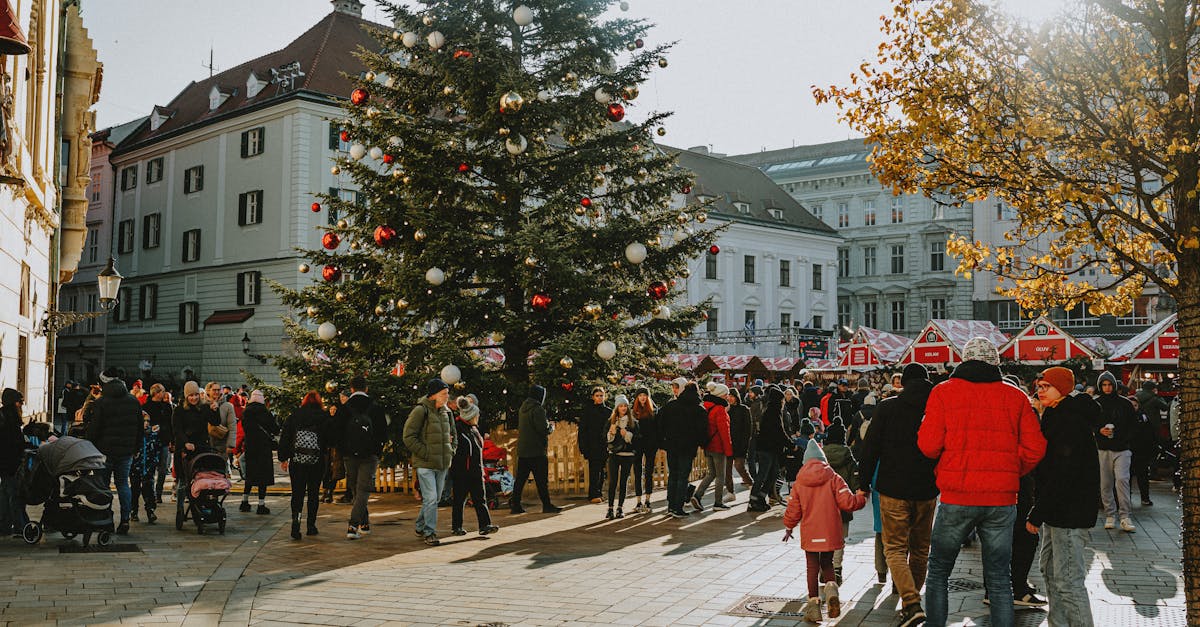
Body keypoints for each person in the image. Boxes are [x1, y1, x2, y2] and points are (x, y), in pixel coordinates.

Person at [918, 338, 1046, 627]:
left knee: (938, 571)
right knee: (1000, 577)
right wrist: (1011, 469)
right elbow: (1035, 447)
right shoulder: (1015, 397)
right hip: (1001, 499)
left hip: (957, 495)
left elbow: (927, 445)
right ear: (995, 363)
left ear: (964, 361)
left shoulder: (943, 393)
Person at [857, 362, 937, 626]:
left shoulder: (888, 407)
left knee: (894, 547)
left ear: (903, 382)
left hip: (893, 488)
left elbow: (871, 448)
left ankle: (911, 603)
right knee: (920, 549)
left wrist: (863, 483)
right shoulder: (935, 407)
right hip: (926, 489)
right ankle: (910, 602)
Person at [1028, 367, 1101, 627]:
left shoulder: (1069, 420)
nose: (1040, 390)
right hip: (1057, 510)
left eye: (1047, 385)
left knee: (1068, 581)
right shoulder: (1056, 414)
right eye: (1039, 385)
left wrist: (1038, 510)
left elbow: (1063, 472)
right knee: (1050, 571)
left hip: (1069, 511)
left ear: (1063, 388)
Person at [782, 439, 868, 624]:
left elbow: (793, 509)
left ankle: (813, 607)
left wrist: (789, 526)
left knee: (812, 567)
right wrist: (861, 498)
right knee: (828, 563)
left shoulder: (799, 482)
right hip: (830, 530)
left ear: (806, 461)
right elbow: (847, 502)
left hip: (810, 532)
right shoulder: (834, 477)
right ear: (824, 460)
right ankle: (831, 592)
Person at [88, 370, 144, 535]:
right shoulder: (133, 401)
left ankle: (106, 520)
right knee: (123, 485)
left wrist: (89, 445)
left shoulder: (102, 402)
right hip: (126, 451)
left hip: (104, 451)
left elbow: (94, 429)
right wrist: (136, 448)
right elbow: (140, 428)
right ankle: (125, 519)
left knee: (103, 486)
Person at [403, 379, 456, 546]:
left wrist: (451, 451)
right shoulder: (421, 410)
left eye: (447, 393)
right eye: (444, 394)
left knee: (434, 498)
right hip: (426, 464)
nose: (447, 396)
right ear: (433, 395)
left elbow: (454, 435)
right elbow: (408, 436)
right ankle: (430, 532)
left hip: (442, 463)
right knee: (431, 498)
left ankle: (420, 525)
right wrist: (426, 453)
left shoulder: (447, 412)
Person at [340, 376, 388, 540]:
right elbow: (383, 432)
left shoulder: (344, 408)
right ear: (366, 389)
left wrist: (344, 450)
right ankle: (357, 524)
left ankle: (357, 523)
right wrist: (377, 450)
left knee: (356, 489)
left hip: (349, 455)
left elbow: (335, 433)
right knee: (363, 489)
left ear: (351, 389)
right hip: (369, 455)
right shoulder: (376, 408)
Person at [279, 391, 331, 539]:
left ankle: (296, 523)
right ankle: (311, 525)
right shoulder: (323, 416)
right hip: (317, 461)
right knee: (313, 493)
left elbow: (285, 437)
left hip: (297, 460)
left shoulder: (295, 415)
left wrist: (283, 458)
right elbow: (330, 438)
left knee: (298, 493)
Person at [1093, 371, 1137, 531]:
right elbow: (1089, 424)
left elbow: (1133, 425)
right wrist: (1099, 431)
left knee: (1122, 480)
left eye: (1109, 384)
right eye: (1104, 385)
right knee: (1106, 483)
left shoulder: (1125, 404)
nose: (1107, 388)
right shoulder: (1095, 403)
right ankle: (1110, 514)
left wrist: (1123, 437)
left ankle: (1124, 515)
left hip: (1121, 448)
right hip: (1104, 448)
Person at [171, 381, 220, 520]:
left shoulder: (203, 408)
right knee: (183, 481)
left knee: (201, 478)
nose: (194, 398)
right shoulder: (179, 410)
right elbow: (177, 430)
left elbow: (215, 422)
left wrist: (215, 410)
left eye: (196, 395)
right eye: (191, 395)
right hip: (185, 448)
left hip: (201, 448)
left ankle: (199, 507)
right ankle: (180, 509)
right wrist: (186, 442)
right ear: (186, 396)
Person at [658, 381, 708, 518]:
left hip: (672, 446)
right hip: (688, 448)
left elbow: (660, 424)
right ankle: (678, 507)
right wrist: (702, 444)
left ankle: (670, 506)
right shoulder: (699, 409)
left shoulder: (671, 406)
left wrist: (663, 442)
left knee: (673, 475)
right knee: (682, 477)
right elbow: (703, 431)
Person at [450, 396, 498, 536]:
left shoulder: (474, 429)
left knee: (480, 499)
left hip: (476, 471)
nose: (478, 416)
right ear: (471, 416)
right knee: (459, 500)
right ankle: (456, 526)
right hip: (461, 472)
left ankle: (485, 525)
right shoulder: (458, 429)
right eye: (476, 414)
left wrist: (481, 470)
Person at [510, 385, 561, 514]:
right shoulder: (538, 409)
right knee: (541, 481)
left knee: (520, 480)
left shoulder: (523, 408)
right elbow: (543, 429)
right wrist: (551, 427)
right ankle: (547, 505)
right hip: (537, 451)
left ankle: (515, 505)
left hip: (523, 451)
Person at [822, 419, 858, 586]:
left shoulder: (821, 455)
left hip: (823, 503)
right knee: (840, 538)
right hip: (842, 503)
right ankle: (836, 568)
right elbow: (854, 483)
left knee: (825, 536)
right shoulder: (848, 456)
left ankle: (825, 568)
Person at [693, 383, 733, 512]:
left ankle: (697, 496)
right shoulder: (720, 409)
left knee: (711, 473)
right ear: (721, 395)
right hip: (718, 447)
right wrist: (729, 450)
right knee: (720, 475)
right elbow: (724, 433)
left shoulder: (706, 407)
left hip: (707, 445)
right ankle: (718, 502)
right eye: (726, 394)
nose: (728, 396)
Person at [238, 390, 278, 515]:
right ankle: (261, 505)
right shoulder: (266, 412)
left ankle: (244, 502)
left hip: (250, 447)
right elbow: (275, 429)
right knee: (263, 477)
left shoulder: (246, 412)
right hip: (264, 449)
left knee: (250, 475)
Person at [749, 385, 788, 512]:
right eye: (782, 400)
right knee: (763, 474)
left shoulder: (772, 410)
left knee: (773, 474)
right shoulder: (773, 412)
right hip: (766, 448)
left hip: (770, 448)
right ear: (778, 400)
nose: (783, 403)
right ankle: (754, 500)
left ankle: (760, 497)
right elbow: (780, 432)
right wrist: (791, 444)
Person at [0, 389, 30, 537]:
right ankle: (20, 525)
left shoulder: (6, 415)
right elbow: (11, 442)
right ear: (13, 402)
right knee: (14, 494)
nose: (21, 405)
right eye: (20, 402)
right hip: (10, 462)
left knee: (6, 493)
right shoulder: (9, 417)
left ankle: (4, 526)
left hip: (7, 462)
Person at [604, 395, 640, 519]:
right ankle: (610, 508)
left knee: (623, 482)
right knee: (612, 482)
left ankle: (620, 508)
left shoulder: (633, 422)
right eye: (621, 406)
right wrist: (611, 433)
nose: (623, 408)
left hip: (628, 455)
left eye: (625, 406)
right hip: (614, 455)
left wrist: (628, 435)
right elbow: (605, 438)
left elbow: (638, 440)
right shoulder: (611, 421)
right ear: (617, 407)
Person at [128, 409, 163, 524]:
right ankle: (133, 511)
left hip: (149, 466)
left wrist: (156, 460)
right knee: (135, 489)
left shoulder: (153, 434)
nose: (146, 423)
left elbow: (158, 448)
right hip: (135, 466)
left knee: (148, 489)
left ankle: (150, 511)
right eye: (144, 421)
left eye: (148, 421)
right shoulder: (133, 434)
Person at [143, 384, 174, 504]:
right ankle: (149, 493)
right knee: (150, 469)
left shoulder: (167, 406)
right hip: (150, 441)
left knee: (163, 469)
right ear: (156, 393)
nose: (164, 394)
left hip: (164, 441)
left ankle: (158, 493)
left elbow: (171, 425)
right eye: (162, 391)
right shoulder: (146, 407)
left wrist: (172, 440)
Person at [579, 387, 611, 504]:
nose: (599, 398)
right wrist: (583, 447)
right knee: (594, 471)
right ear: (593, 397)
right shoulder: (587, 411)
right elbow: (582, 430)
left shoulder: (608, 411)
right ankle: (593, 494)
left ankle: (599, 492)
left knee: (602, 471)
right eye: (597, 395)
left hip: (604, 445)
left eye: (601, 395)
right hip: (592, 445)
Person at [631, 387, 658, 514]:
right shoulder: (633, 412)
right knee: (637, 472)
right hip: (637, 445)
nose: (642, 397)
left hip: (650, 445)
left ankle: (648, 499)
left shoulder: (653, 411)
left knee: (648, 472)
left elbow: (657, 429)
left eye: (644, 395)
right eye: (640, 395)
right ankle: (638, 500)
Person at [1129, 395, 1157, 507]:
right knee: (1128, 476)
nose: (1133, 408)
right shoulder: (1141, 418)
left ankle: (1145, 497)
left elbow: (1150, 435)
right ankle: (1129, 497)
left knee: (1142, 476)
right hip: (1129, 450)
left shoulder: (1143, 418)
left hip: (1141, 451)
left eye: (1135, 405)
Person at [725, 388, 754, 495]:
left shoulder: (744, 409)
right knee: (727, 470)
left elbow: (748, 429)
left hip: (741, 443)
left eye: (732, 396)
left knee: (739, 466)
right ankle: (730, 492)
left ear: (737, 397)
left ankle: (751, 483)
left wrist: (745, 444)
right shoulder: (726, 409)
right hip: (728, 442)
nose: (730, 398)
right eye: (729, 396)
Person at [204, 382, 237, 463]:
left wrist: (230, 445)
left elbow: (232, 426)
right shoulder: (203, 405)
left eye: (218, 390)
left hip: (221, 445)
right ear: (208, 391)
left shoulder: (227, 406)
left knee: (220, 471)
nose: (216, 392)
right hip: (205, 445)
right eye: (214, 390)